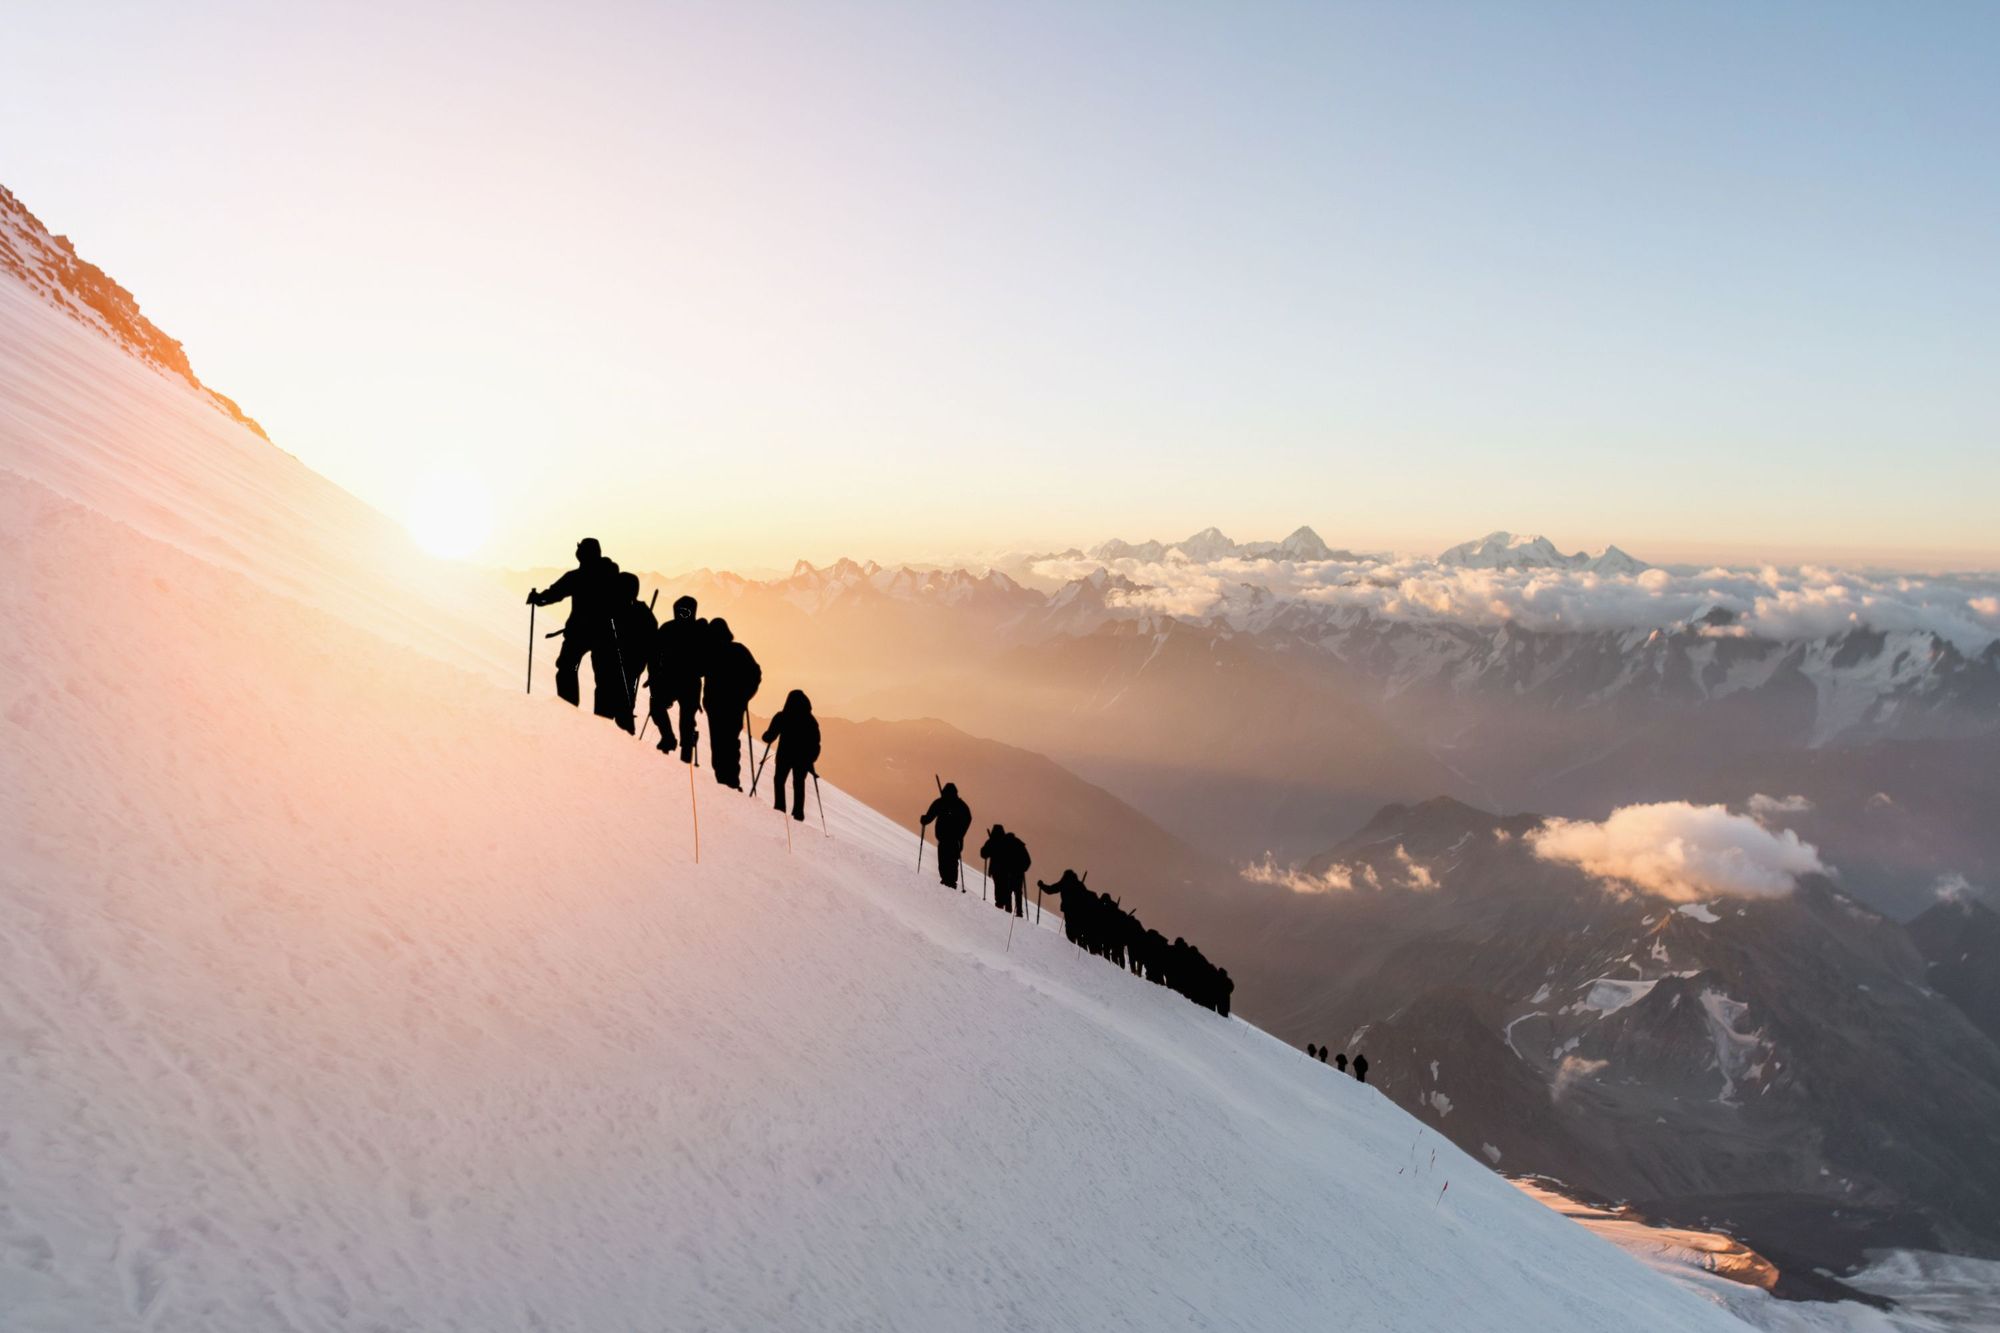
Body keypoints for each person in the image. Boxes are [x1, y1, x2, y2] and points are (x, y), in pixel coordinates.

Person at [527, 538, 620, 708]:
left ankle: (568, 708)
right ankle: (604, 718)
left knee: (567, 668)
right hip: (605, 633)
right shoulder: (612, 574)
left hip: (579, 632)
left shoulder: (578, 576)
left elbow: (555, 593)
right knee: (604, 676)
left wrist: (538, 598)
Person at [701, 618, 761, 788]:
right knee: (730, 744)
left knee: (719, 746)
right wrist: (744, 696)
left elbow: (697, 668)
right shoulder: (739, 650)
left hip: (716, 707)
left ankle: (725, 781)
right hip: (734, 707)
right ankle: (731, 781)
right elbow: (755, 674)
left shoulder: (711, 653)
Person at [649, 595, 707, 762]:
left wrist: (654, 675)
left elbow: (653, 655)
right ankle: (673, 742)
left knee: (683, 720)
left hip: (676, 681)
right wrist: (654, 675)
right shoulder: (698, 632)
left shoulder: (670, 628)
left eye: (685, 612)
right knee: (665, 710)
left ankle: (675, 744)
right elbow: (654, 655)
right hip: (684, 682)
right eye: (680, 611)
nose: (682, 614)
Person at [598, 571, 654, 732]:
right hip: (623, 670)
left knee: (608, 713)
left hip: (618, 669)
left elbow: (650, 645)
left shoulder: (611, 609)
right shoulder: (642, 612)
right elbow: (652, 646)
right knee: (620, 712)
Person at [759, 689, 820, 821]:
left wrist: (765, 736)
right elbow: (815, 744)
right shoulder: (810, 721)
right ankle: (798, 814)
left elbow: (770, 736)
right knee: (798, 784)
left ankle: (780, 808)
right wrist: (810, 759)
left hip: (784, 756)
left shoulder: (783, 716)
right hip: (802, 760)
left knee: (779, 780)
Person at [920, 782, 973, 889]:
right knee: (952, 860)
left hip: (945, 838)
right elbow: (968, 819)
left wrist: (924, 820)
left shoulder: (941, 802)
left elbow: (930, 815)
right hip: (956, 840)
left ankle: (947, 881)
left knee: (944, 860)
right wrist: (961, 833)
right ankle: (951, 882)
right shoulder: (961, 806)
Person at [979, 824, 1032, 915]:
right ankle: (1018, 912)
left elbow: (984, 854)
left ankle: (1006, 910)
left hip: (1001, 871)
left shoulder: (998, 842)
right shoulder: (1016, 843)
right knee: (1016, 891)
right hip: (1015, 872)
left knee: (1005, 890)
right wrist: (1022, 869)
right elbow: (1027, 861)